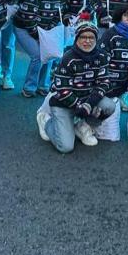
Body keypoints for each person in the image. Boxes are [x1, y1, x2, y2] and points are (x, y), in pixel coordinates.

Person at [35, 13, 117, 153]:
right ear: (77, 38)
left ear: (96, 39)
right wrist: (79, 105)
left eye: (91, 37)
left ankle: (83, 127)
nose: (87, 41)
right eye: (83, 37)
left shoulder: (102, 56)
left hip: (86, 101)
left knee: (109, 106)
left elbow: (104, 83)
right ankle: (46, 121)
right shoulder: (67, 57)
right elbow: (61, 89)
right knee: (66, 147)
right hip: (64, 103)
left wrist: (88, 104)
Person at [14, 0, 67, 97]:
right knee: (37, 55)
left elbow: (59, 14)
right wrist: (38, 37)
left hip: (44, 29)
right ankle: (29, 88)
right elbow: (28, 16)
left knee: (48, 53)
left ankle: (43, 85)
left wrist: (48, 31)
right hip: (24, 27)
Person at [98, 5, 128, 112]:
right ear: (120, 17)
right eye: (125, 15)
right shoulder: (110, 35)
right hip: (106, 88)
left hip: (125, 90)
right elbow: (101, 62)